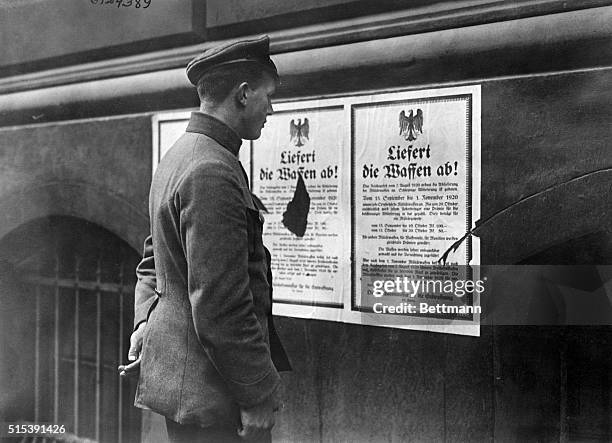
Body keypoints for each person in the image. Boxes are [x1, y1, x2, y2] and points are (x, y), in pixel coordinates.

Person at [118, 35, 291, 443]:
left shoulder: (183, 154)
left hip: (193, 390)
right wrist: (257, 393)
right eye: (268, 96)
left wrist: (146, 321)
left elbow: (152, 261)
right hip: (216, 397)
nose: (271, 108)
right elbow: (221, 304)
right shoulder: (212, 168)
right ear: (244, 94)